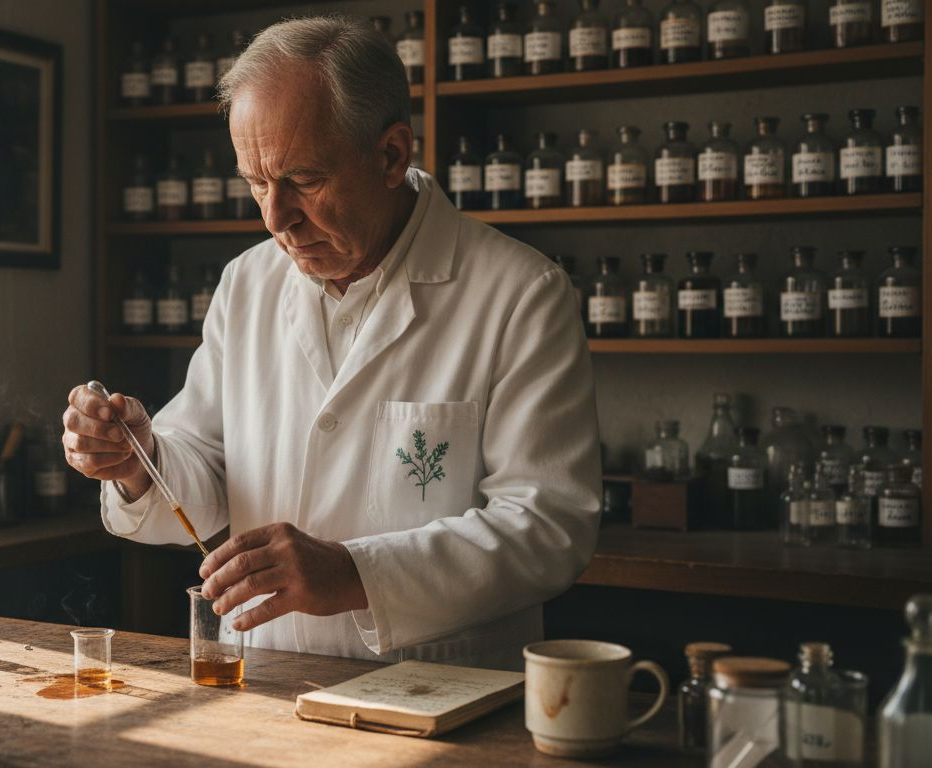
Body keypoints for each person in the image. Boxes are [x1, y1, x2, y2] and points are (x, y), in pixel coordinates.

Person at [64, 16, 601, 669]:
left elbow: (548, 528)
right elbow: (204, 466)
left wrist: (354, 574)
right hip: (262, 681)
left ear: (391, 156)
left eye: (303, 179)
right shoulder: (247, 283)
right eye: (256, 183)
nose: (274, 218)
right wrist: (138, 460)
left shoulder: (520, 293)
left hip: (440, 695)